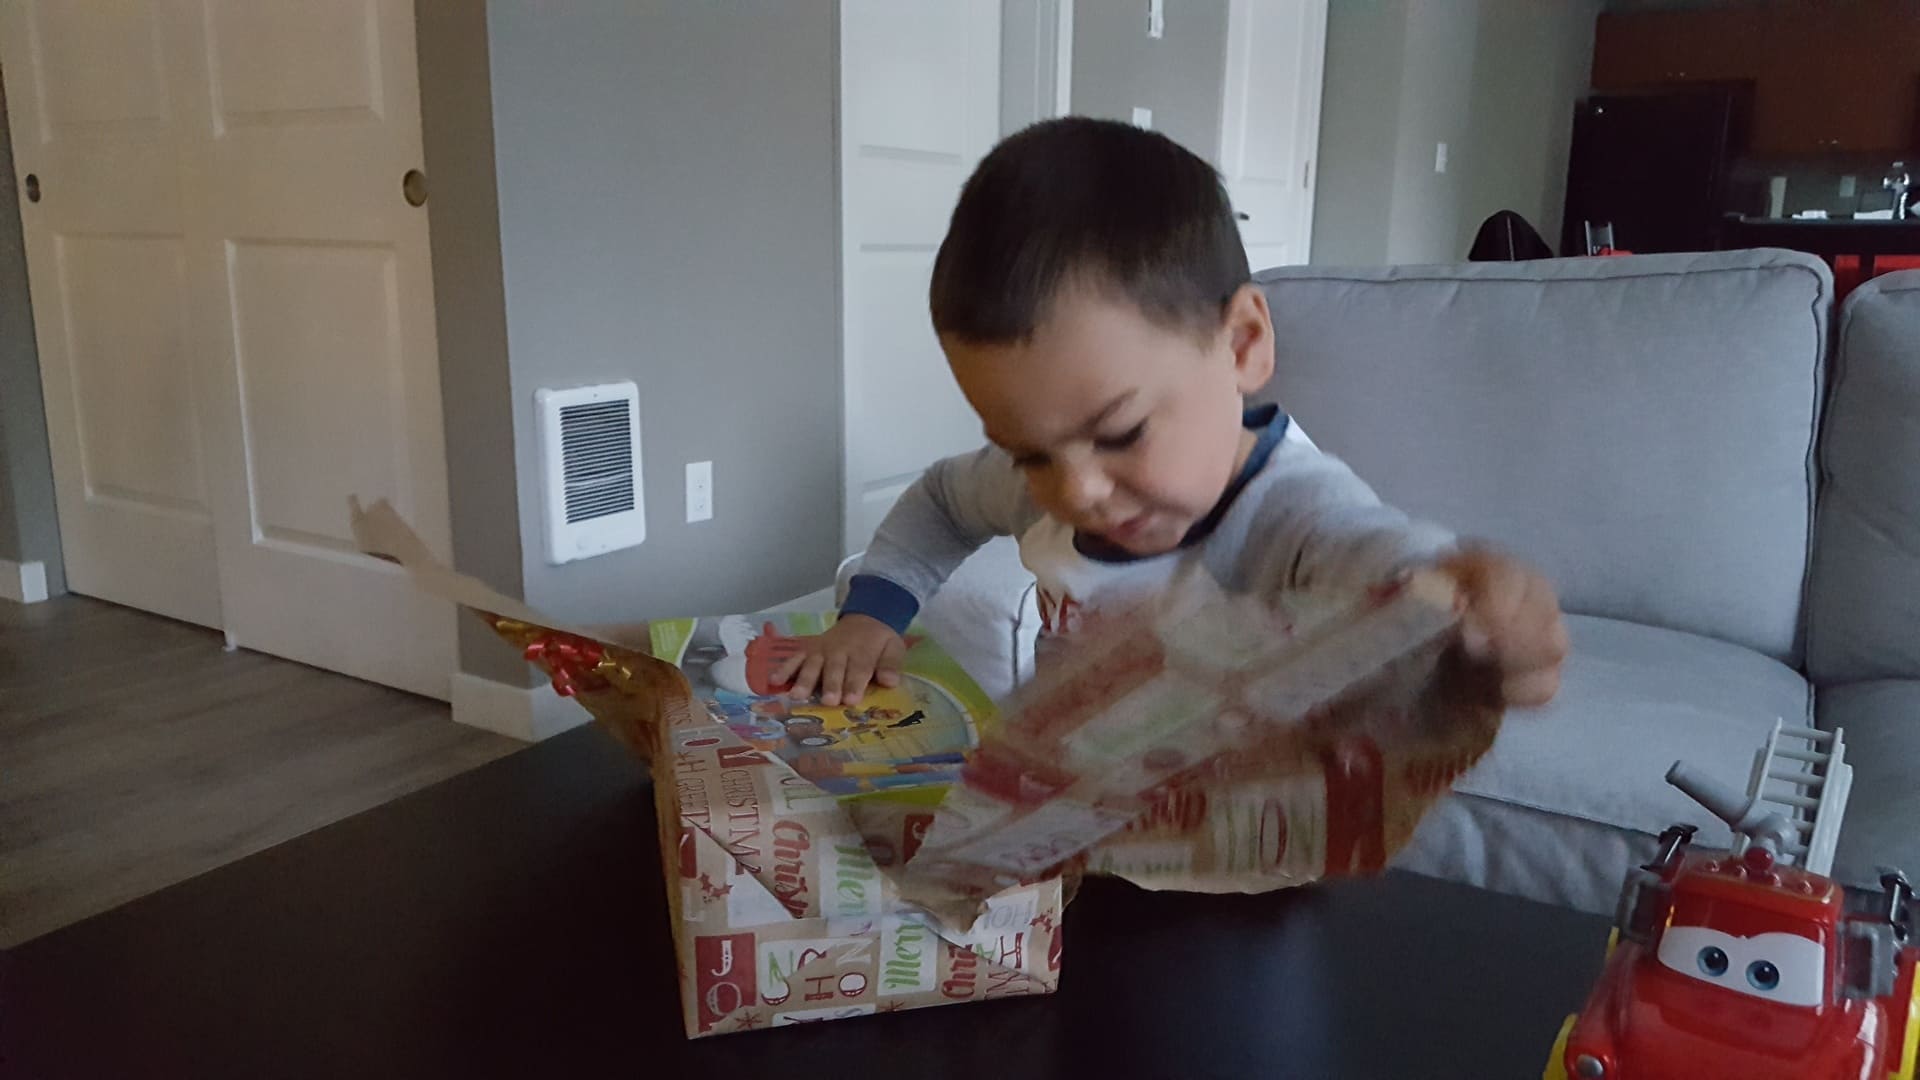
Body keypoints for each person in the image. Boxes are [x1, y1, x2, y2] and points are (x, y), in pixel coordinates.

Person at [776, 117, 1567, 711]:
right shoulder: (1053, 484)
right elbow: (944, 501)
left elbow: (1370, 550)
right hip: (1071, 828)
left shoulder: (1286, 512)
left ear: (1243, 344)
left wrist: (1461, 603)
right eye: (1029, 454)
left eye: (1121, 434)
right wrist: (872, 615)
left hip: (1234, 859)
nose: (1075, 491)